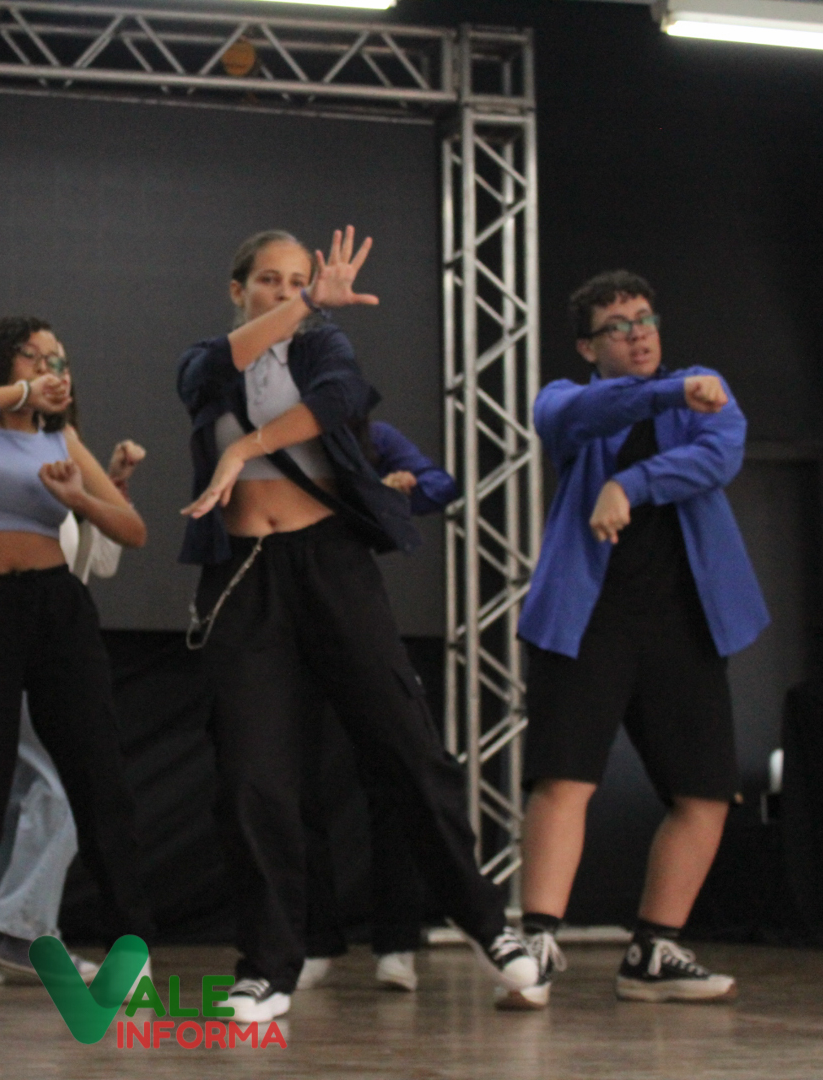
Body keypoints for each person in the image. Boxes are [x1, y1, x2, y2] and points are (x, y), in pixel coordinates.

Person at [178, 227, 539, 1023]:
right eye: (269, 280)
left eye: (297, 281)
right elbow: (208, 375)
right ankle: (269, 965)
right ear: (238, 289)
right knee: (252, 776)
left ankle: (487, 923)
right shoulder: (206, 361)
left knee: (407, 751)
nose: (284, 292)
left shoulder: (324, 347)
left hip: (332, 565)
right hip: (245, 576)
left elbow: (340, 402)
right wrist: (306, 301)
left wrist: (248, 448)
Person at [511, 270, 768, 1009]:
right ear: (587, 347)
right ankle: (535, 944)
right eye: (618, 326)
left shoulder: (704, 388)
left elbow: (719, 455)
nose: (639, 333)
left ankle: (653, 951)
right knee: (564, 779)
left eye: (646, 318)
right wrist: (666, 396)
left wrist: (631, 484)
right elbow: (590, 413)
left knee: (705, 793)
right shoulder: (564, 401)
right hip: (586, 619)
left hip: (684, 622)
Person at [0, 316, 156, 1003]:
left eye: (61, 359)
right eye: (36, 355)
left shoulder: (61, 439)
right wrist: (17, 396)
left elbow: (133, 531)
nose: (53, 367)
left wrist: (80, 498)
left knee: (98, 782)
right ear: (1, 363)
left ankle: (130, 950)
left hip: (57, 607)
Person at [0, 431, 147, 988]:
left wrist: (109, 490)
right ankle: (21, 928)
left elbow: (101, 563)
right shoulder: (7, 473)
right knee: (63, 787)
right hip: (7, 645)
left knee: (27, 798)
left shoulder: (66, 474)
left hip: (56, 647)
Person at [298, 419, 460, 994]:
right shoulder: (264, 436)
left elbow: (439, 484)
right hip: (291, 615)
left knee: (397, 774)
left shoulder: (370, 434)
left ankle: (396, 942)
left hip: (361, 615)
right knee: (295, 782)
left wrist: (392, 492)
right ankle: (313, 939)